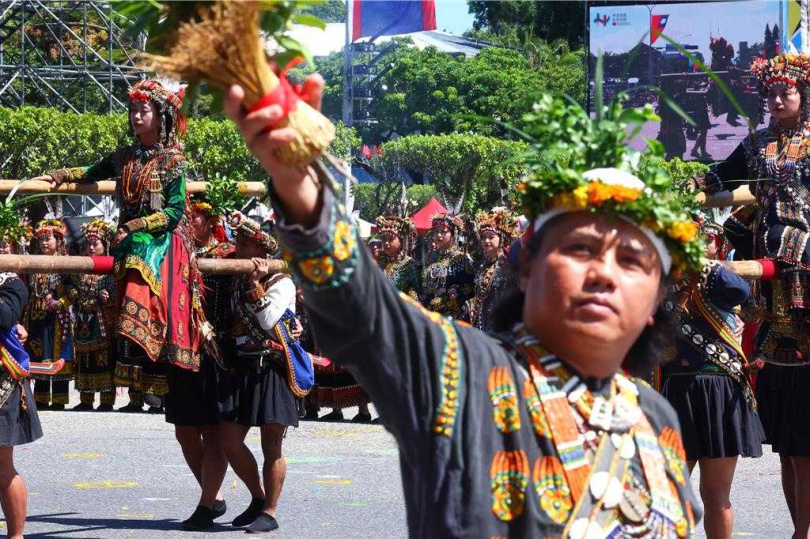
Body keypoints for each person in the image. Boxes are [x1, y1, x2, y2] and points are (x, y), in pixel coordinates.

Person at [223, 74, 702, 536]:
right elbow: (366, 311)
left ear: (656, 301)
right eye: (580, 248)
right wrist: (301, 188)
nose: (603, 274)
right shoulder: (463, 372)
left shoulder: (656, 419)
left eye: (633, 261)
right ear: (529, 266)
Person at [689, 51, 810, 537]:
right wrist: (690, 186)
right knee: (787, 437)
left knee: (806, 439)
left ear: (804, 94)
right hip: (770, 286)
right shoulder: (758, 143)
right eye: (772, 92)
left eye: (789, 90)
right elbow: (722, 177)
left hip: (804, 273)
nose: (779, 98)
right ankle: (797, 530)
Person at [36, 80, 207, 415]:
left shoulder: (173, 160)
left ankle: (151, 343)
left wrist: (136, 225)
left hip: (158, 239)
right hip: (127, 240)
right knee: (127, 256)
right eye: (133, 110)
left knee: (139, 257)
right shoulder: (122, 156)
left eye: (143, 110)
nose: (136, 116)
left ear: (160, 117)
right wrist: (60, 175)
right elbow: (90, 172)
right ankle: (134, 346)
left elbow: (173, 213)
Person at [661, 222, 764, 538]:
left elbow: (741, 292)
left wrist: (701, 264)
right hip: (678, 391)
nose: (696, 242)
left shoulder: (719, 279)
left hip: (718, 389)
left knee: (715, 495)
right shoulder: (665, 280)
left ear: (718, 245)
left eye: (705, 238)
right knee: (668, 491)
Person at [218, 211, 304, 533]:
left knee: (272, 445)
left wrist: (255, 285)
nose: (238, 247)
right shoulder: (236, 278)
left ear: (261, 249)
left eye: (245, 242)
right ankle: (257, 496)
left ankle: (270, 510)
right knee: (229, 438)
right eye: (237, 241)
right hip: (243, 367)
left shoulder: (282, 281)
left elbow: (269, 322)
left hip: (273, 367)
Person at [167, 196, 233, 530]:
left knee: (212, 431)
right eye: (186, 217)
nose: (188, 223)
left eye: (195, 217)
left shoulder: (227, 254)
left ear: (210, 220)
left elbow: (269, 247)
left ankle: (207, 504)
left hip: (215, 352)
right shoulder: (176, 253)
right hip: (181, 349)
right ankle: (215, 494)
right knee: (184, 432)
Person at [0, 270, 43, 539]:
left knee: (2, 463)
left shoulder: (11, 282)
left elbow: (5, 316)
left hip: (2, 381)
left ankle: (16, 537)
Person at [24, 219, 73, 411]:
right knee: (38, 353)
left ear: (58, 240)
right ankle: (41, 398)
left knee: (57, 353)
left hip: (57, 317)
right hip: (36, 316)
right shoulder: (33, 262)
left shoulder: (67, 262)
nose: (44, 243)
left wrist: (59, 302)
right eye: (41, 239)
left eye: (48, 239)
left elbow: (74, 291)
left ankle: (59, 399)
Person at [69, 219, 117, 412]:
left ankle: (106, 399)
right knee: (83, 356)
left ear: (105, 245)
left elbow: (115, 292)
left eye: (95, 243)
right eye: (87, 243)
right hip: (82, 319)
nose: (90, 247)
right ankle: (86, 399)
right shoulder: (81, 266)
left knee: (103, 357)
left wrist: (107, 296)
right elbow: (70, 285)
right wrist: (73, 293)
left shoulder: (110, 268)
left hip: (102, 320)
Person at [465, 209, 519, 332]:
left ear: (501, 239)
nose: (486, 241)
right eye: (484, 238)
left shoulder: (508, 265)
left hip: (502, 323)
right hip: (481, 322)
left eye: (491, 237)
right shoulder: (482, 265)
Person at [421, 213, 474, 318]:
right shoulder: (430, 258)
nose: (439, 235)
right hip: (429, 314)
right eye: (436, 231)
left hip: (452, 315)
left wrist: (454, 295)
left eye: (443, 232)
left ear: (453, 234)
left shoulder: (461, 260)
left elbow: (470, 287)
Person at [375, 215, 420, 300]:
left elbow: (416, 292)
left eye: (391, 239)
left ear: (401, 240)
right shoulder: (380, 263)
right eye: (384, 239)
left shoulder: (410, 265)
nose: (386, 243)